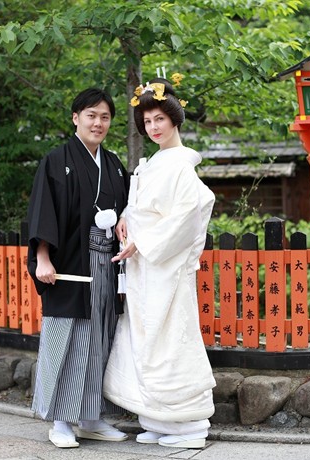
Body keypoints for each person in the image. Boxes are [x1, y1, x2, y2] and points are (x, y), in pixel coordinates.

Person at [103, 76, 216, 449]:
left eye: (159, 120)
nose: (153, 128)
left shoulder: (180, 167)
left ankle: (188, 424)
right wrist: (125, 218)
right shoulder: (153, 164)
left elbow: (188, 214)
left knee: (170, 339)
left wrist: (145, 241)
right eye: (147, 122)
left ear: (174, 120)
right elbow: (140, 208)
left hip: (163, 266)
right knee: (145, 338)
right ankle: (158, 419)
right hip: (145, 268)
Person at [26, 88, 130, 449]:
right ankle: (60, 420)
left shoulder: (114, 164)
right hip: (70, 263)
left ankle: (90, 417)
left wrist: (125, 222)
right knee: (66, 339)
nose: (98, 123)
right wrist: (42, 257)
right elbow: (44, 211)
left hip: (106, 264)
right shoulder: (57, 160)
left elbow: (127, 208)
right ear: (75, 118)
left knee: (100, 338)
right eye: (91, 115)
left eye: (104, 117)